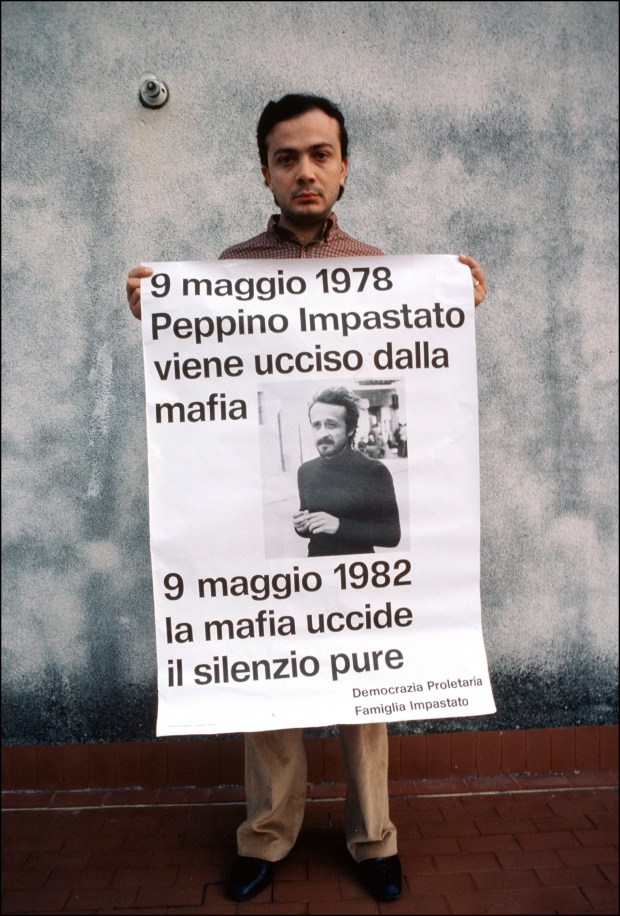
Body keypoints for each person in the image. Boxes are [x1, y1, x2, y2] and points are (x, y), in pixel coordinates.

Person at [127, 92, 488, 903]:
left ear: (344, 165)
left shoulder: (381, 271)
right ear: (265, 170)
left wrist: (450, 314)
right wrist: (156, 320)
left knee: (367, 694)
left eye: (321, 154)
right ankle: (266, 837)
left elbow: (426, 395)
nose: (305, 171)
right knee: (269, 683)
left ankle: (374, 842)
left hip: (361, 567)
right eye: (288, 157)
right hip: (276, 561)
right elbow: (206, 408)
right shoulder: (229, 270)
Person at [294, 386, 400, 556]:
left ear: (350, 429)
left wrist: (339, 526)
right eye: (317, 425)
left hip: (358, 573)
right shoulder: (305, 471)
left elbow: (392, 535)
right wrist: (301, 526)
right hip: (317, 570)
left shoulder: (374, 471)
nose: (323, 433)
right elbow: (309, 528)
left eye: (331, 425)